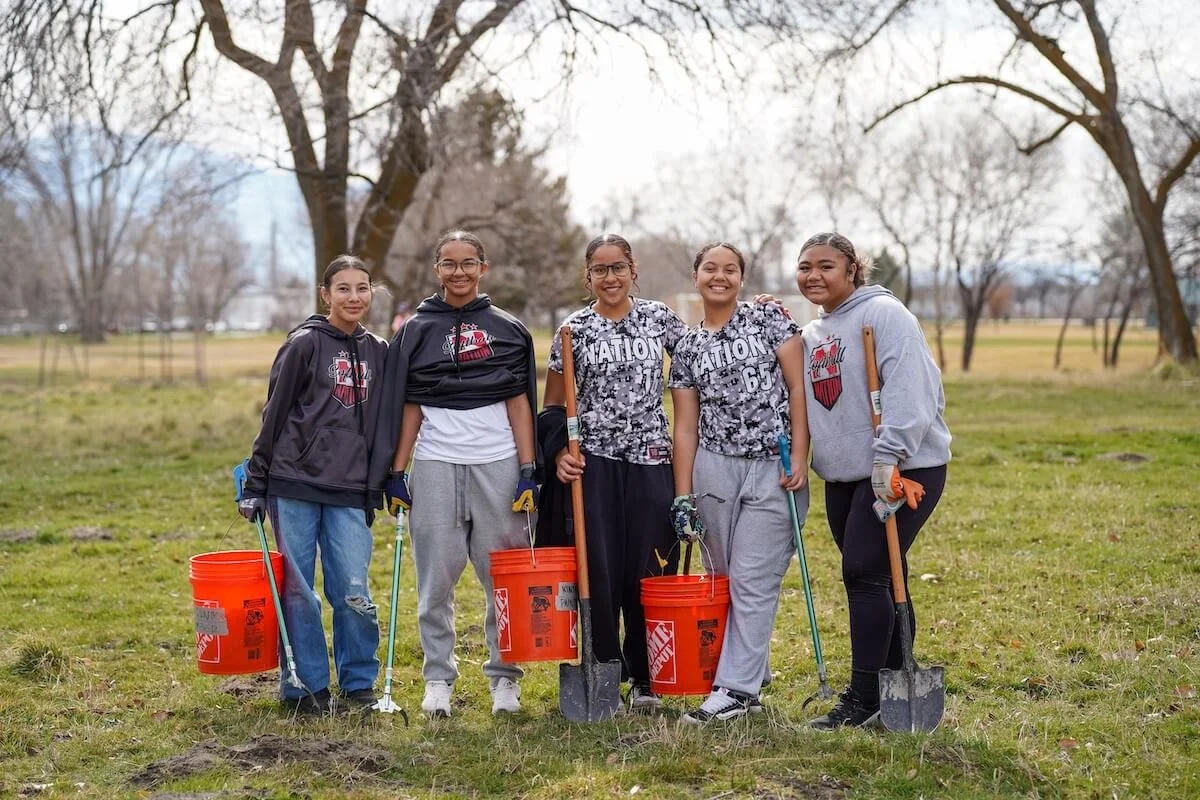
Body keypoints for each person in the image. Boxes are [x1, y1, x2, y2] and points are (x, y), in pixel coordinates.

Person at [368, 230, 539, 719]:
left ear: (484, 267)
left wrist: (528, 471)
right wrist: (397, 471)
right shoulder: (416, 331)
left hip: (499, 465)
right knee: (434, 581)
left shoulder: (508, 329)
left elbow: (520, 401)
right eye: (449, 263)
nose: (459, 272)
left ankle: (505, 679)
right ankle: (437, 678)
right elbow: (410, 406)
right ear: (436, 268)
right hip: (437, 464)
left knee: (500, 580)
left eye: (469, 263)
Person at [794, 232, 951, 730]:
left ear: (852, 271)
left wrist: (890, 457)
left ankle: (862, 698)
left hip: (900, 467)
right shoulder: (813, 332)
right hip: (844, 474)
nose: (814, 275)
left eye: (826, 266)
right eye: (805, 267)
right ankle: (894, 680)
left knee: (863, 571)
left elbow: (911, 391)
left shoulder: (884, 315)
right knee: (881, 574)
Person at [539, 233, 688, 713]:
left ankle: (646, 677)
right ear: (588, 276)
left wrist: (755, 312)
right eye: (600, 270)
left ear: (633, 269)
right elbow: (553, 404)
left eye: (618, 267)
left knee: (648, 570)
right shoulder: (574, 329)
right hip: (595, 463)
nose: (610, 277)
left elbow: (703, 349)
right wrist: (559, 451)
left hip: (651, 459)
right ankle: (603, 667)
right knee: (599, 570)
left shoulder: (659, 318)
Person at [237, 255, 388, 716]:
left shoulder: (380, 351)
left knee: (353, 590)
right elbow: (274, 414)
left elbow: (383, 424)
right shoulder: (303, 344)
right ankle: (305, 686)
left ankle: (359, 682)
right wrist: (256, 481)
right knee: (299, 591)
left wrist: (380, 484)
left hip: (350, 488)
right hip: (294, 483)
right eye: (343, 288)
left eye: (362, 288)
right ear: (326, 294)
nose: (354, 297)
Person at [669, 241, 809, 724]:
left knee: (753, 579)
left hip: (775, 464)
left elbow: (797, 388)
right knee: (725, 580)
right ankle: (753, 668)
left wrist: (802, 453)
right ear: (696, 277)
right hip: (714, 467)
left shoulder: (769, 320)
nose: (720, 276)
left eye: (731, 269)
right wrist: (683, 493)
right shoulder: (687, 346)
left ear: (742, 278)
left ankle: (735, 690)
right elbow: (685, 426)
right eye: (711, 268)